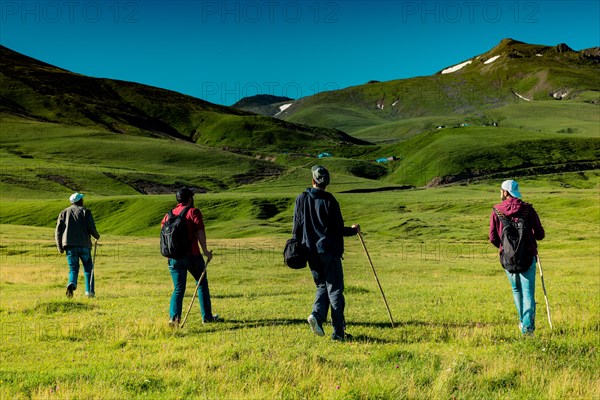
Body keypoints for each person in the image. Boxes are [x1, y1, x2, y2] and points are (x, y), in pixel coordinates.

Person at [292, 166, 359, 341]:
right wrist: (353, 231)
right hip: (329, 250)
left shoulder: (301, 199)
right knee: (335, 289)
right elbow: (337, 230)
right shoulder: (330, 201)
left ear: (313, 180)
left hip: (310, 252)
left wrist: (297, 248)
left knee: (322, 286)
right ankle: (338, 333)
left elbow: (296, 228)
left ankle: (317, 315)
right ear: (326, 183)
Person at [489, 180, 545, 335]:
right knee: (528, 293)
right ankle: (528, 330)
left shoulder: (496, 210)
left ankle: (523, 323)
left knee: (516, 290)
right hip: (527, 256)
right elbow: (540, 234)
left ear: (506, 192)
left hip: (508, 259)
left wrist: (505, 248)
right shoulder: (528, 209)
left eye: (501, 190)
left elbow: (492, 237)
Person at [161, 187, 215, 327]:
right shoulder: (193, 212)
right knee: (201, 284)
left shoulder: (168, 215)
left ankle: (174, 319)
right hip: (192, 256)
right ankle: (207, 317)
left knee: (178, 288)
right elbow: (200, 232)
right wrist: (206, 251)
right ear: (190, 199)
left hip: (173, 258)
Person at [55, 192, 100, 298]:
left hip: (69, 245)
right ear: (79, 201)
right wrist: (96, 236)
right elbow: (91, 228)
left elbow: (58, 231)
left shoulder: (64, 212)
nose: (83, 201)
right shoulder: (86, 212)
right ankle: (89, 292)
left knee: (73, 268)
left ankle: (71, 283)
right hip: (84, 245)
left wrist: (59, 246)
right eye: (82, 199)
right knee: (88, 268)